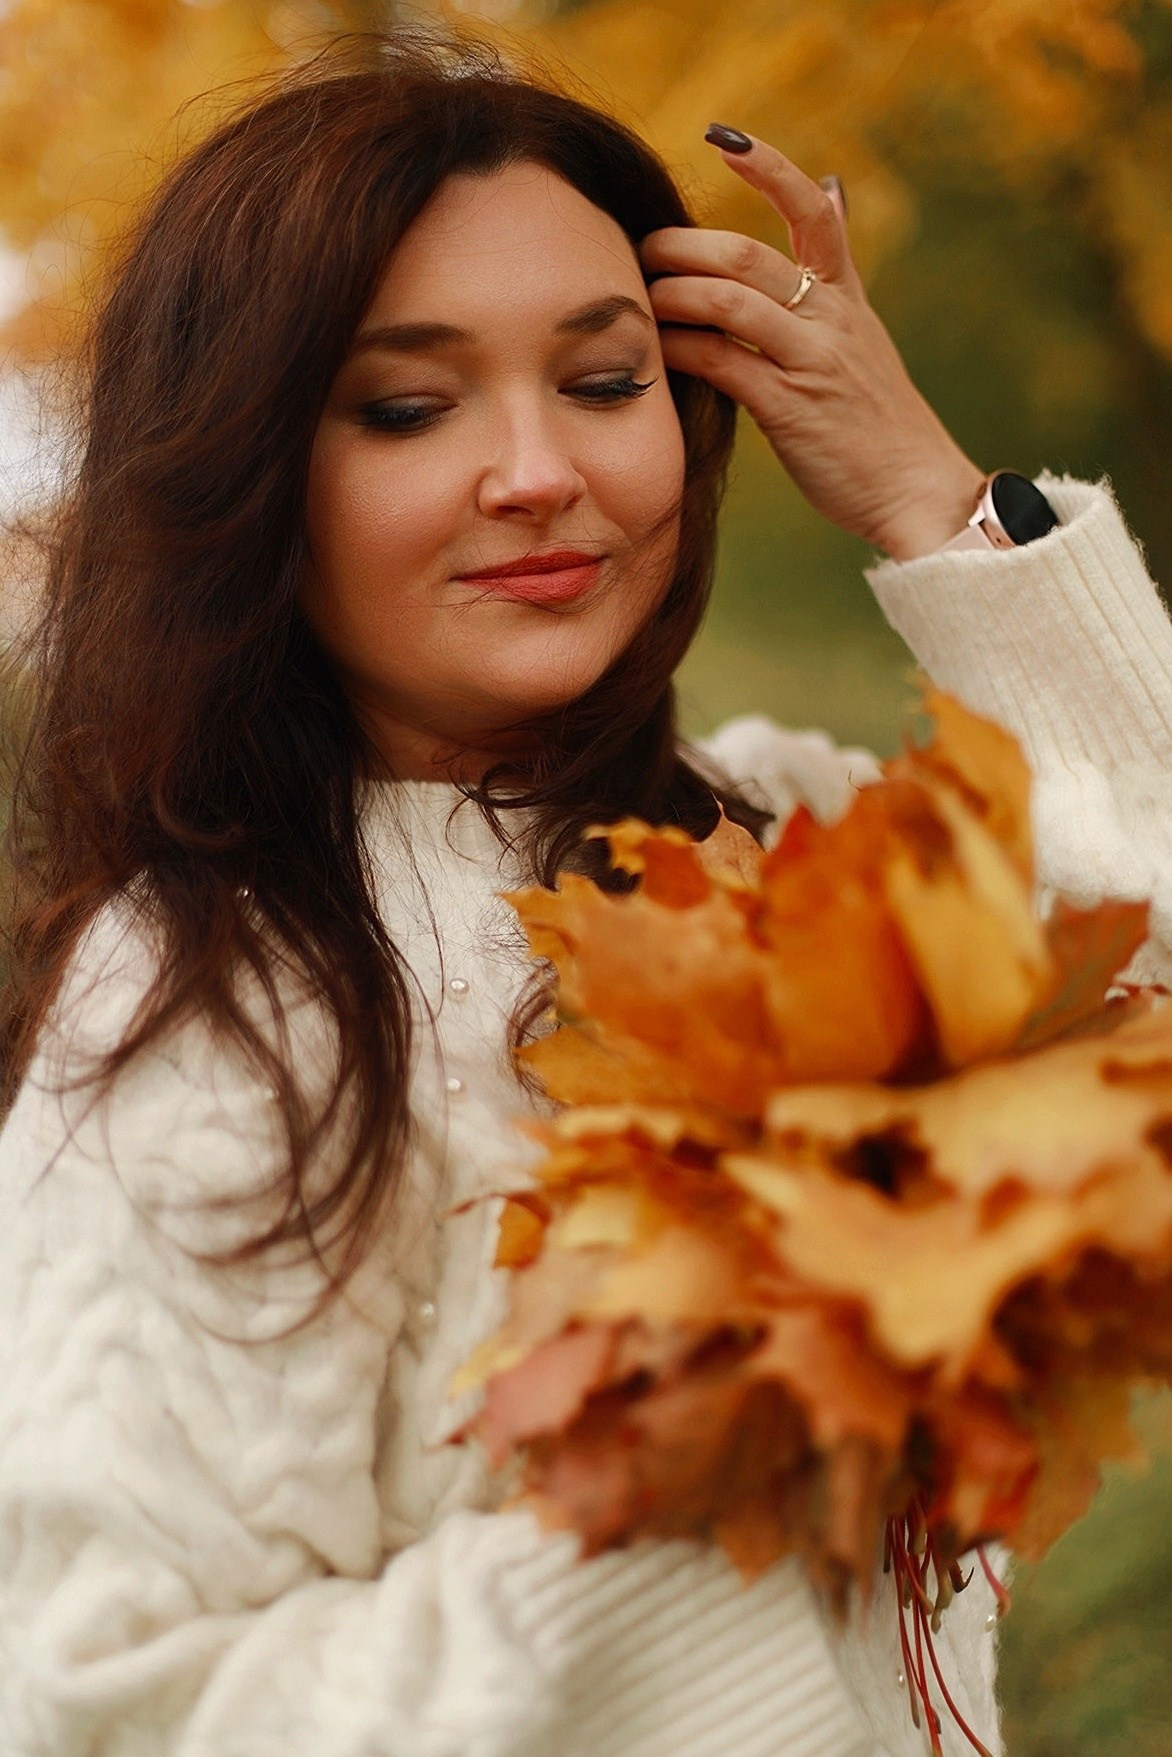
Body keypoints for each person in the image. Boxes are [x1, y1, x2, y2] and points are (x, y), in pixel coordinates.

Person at [1, 28, 1170, 1757]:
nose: (539, 469)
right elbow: (105, 1707)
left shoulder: (783, 837)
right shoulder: (223, 1003)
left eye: (609, 381)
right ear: (250, 477)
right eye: (409, 403)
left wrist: (935, 503)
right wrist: (721, 1519)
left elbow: (1133, 990)